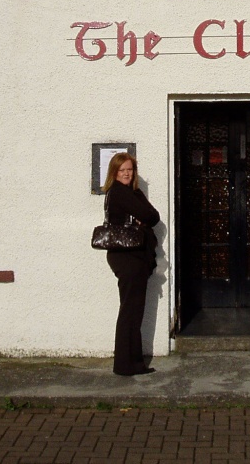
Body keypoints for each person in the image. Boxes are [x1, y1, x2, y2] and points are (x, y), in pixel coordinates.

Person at [101, 152, 160, 376]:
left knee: (134, 311)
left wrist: (143, 216)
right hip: (127, 258)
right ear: (114, 173)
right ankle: (125, 365)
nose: (126, 173)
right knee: (130, 312)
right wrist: (141, 217)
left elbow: (153, 216)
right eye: (122, 170)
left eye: (130, 169)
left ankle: (134, 363)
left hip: (134, 257)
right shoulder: (118, 192)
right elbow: (147, 213)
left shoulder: (133, 192)